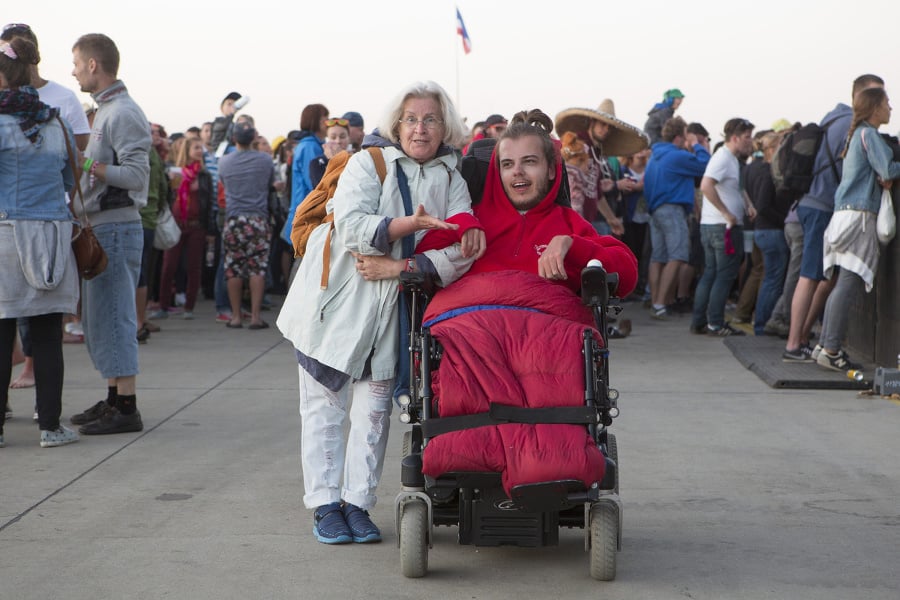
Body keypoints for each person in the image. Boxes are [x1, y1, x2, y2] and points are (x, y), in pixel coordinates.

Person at [276, 80, 485, 545]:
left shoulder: (452, 176)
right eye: (412, 118)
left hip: (395, 310)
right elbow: (350, 227)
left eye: (430, 119)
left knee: (373, 415)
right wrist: (408, 225)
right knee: (324, 410)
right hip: (334, 305)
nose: (420, 128)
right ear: (396, 123)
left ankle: (358, 504)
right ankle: (325, 505)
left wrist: (405, 266)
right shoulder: (366, 163)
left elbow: (462, 250)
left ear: (444, 125)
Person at [2, 23, 91, 406]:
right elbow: (71, 178)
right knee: (48, 335)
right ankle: (51, 425)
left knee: (3, 331)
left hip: (7, 234)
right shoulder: (55, 121)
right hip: (53, 234)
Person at [68, 33, 151, 435]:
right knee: (101, 319)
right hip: (107, 226)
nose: (74, 71)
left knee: (115, 317)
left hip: (117, 225)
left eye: (77, 63)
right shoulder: (108, 110)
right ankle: (115, 398)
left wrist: (89, 167)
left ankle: (126, 407)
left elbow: (136, 176)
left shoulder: (122, 112)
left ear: (94, 65)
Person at [782, 74, 885, 362]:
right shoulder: (852, 127)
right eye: (880, 97)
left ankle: (804, 339)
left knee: (823, 276)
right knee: (811, 275)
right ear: (865, 98)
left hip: (810, 204)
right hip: (821, 206)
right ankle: (794, 343)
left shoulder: (832, 120)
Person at [816, 87, 900, 371]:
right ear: (875, 108)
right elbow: (888, 171)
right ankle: (831, 349)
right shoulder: (871, 135)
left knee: (841, 283)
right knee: (849, 283)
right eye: (887, 103)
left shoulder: (855, 136)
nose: (891, 108)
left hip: (842, 216)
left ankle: (825, 344)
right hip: (860, 217)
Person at [690, 117, 756, 336]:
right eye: (747, 137)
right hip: (723, 227)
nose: (751, 142)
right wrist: (727, 213)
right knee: (723, 275)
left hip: (713, 225)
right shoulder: (724, 158)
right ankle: (715, 323)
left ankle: (700, 321)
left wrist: (746, 204)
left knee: (711, 273)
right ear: (735, 138)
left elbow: (734, 187)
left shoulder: (730, 159)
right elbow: (706, 185)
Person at [643, 116, 711, 319]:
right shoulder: (676, 156)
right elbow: (706, 165)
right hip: (672, 209)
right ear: (681, 137)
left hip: (655, 210)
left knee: (658, 257)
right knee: (678, 255)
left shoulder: (656, 155)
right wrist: (697, 144)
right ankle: (661, 304)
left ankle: (656, 302)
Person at [555, 99, 649, 237]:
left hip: (588, 220)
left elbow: (596, 193)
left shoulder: (596, 151)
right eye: (602, 124)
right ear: (592, 122)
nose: (605, 130)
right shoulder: (578, 145)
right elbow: (568, 183)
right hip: (574, 222)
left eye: (609, 127)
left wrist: (611, 219)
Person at [217, 121, 274, 329]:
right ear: (253, 139)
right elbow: (270, 184)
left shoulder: (224, 162)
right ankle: (256, 316)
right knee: (257, 269)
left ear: (234, 139)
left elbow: (223, 183)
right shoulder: (265, 160)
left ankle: (235, 316)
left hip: (233, 219)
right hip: (258, 219)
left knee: (233, 269)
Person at [155, 137, 215, 321]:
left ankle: (189, 307)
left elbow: (210, 203)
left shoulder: (204, 175)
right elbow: (164, 195)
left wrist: (210, 230)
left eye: (201, 148)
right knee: (168, 266)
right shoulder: (175, 172)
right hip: (176, 225)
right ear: (187, 150)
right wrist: (168, 180)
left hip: (197, 227)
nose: (200, 151)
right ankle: (163, 305)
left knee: (194, 267)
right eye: (197, 147)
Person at [745, 130, 793, 335]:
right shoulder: (768, 172)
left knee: (769, 278)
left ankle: (763, 323)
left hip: (766, 231)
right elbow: (763, 205)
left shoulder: (764, 170)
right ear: (772, 150)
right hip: (771, 231)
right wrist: (784, 221)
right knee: (772, 280)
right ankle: (763, 325)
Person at [282, 103, 329, 248]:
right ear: (315, 121)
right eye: (325, 119)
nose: (328, 123)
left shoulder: (309, 144)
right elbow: (316, 183)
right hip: (306, 213)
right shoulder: (310, 146)